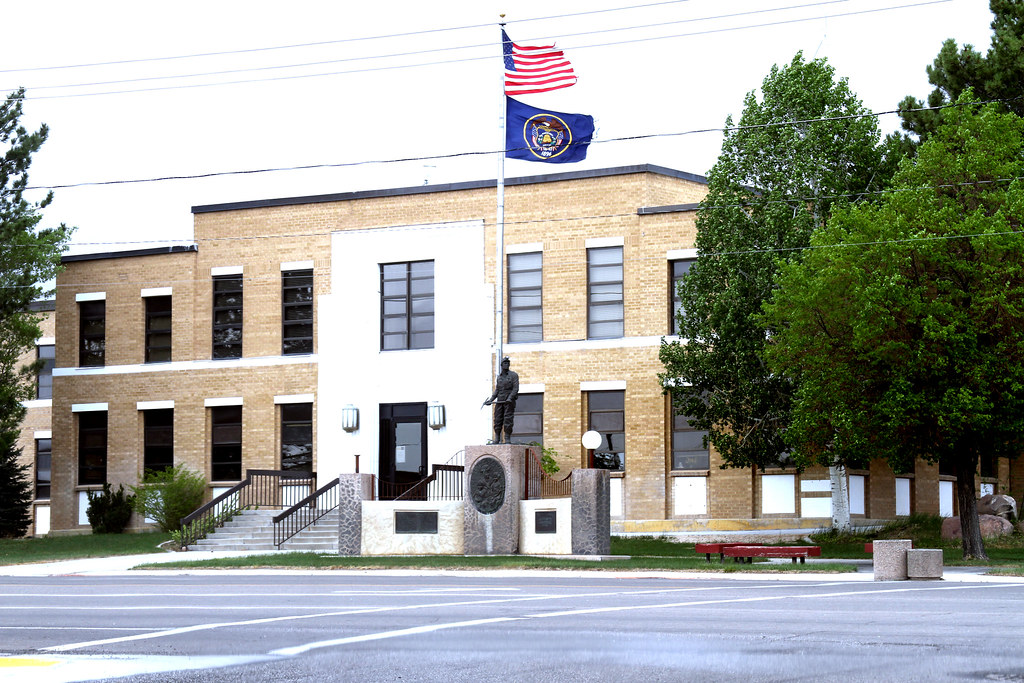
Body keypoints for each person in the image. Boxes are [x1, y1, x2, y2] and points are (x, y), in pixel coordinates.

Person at [483, 356, 519, 444]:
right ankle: (497, 438)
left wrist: (510, 398)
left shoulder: (513, 375)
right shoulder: (499, 377)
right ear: (501, 365)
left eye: (508, 363)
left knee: (508, 419)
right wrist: (491, 400)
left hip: (508, 401)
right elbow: (497, 390)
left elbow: (515, 388)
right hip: (500, 400)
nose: (507, 365)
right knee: (498, 419)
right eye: (505, 363)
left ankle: (507, 438)